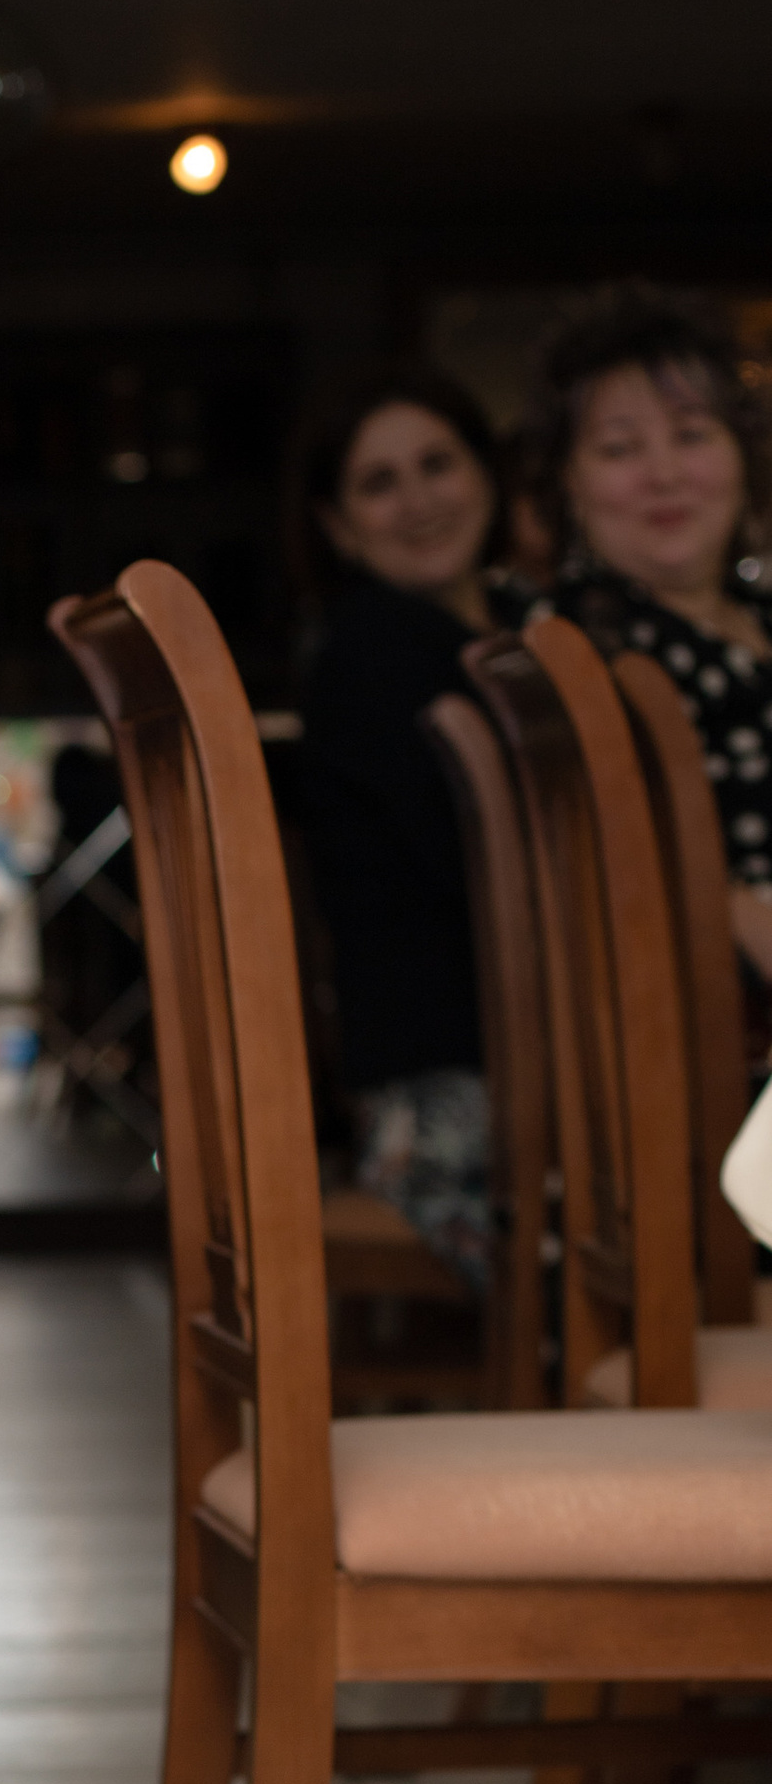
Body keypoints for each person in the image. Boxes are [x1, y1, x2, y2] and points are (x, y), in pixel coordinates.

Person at [289, 364, 516, 1286]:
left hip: (476, 1073)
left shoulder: (495, 636)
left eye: (437, 463)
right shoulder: (377, 654)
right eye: (379, 483)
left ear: (485, 477)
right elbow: (494, 882)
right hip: (464, 1114)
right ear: (337, 526)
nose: (418, 499)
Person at [526, 284, 772, 984]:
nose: (665, 475)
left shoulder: (759, 614)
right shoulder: (580, 648)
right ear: (568, 481)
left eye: (692, 435)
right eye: (619, 448)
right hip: (715, 1038)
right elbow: (631, 866)